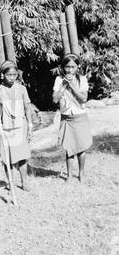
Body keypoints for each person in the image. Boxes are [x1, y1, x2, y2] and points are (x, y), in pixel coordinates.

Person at [0, 60, 33, 191]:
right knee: (6, 156)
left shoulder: (21, 89)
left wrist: (30, 125)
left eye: (15, 75)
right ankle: (10, 181)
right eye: (9, 75)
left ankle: (24, 182)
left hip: (21, 126)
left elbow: (27, 107)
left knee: (22, 155)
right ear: (3, 75)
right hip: (6, 128)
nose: (12, 77)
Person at [53, 54, 92, 183]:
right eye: (67, 67)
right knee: (69, 148)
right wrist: (64, 86)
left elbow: (84, 98)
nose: (69, 70)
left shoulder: (82, 79)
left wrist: (73, 86)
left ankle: (81, 174)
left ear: (78, 67)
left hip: (80, 117)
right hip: (66, 117)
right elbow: (55, 99)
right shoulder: (59, 80)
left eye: (72, 67)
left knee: (81, 147)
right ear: (63, 68)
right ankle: (69, 175)